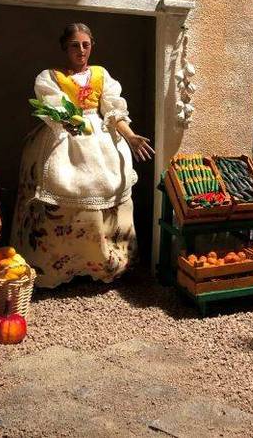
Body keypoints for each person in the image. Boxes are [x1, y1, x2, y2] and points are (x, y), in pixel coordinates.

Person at [11, 23, 154, 288]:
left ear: (92, 46)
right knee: (59, 180)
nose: (81, 50)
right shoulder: (50, 77)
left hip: (101, 137)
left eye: (85, 45)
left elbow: (113, 111)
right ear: (65, 47)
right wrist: (68, 123)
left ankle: (104, 265)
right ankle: (55, 267)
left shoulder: (101, 75)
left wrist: (130, 136)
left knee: (108, 185)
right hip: (65, 134)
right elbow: (53, 110)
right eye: (75, 45)